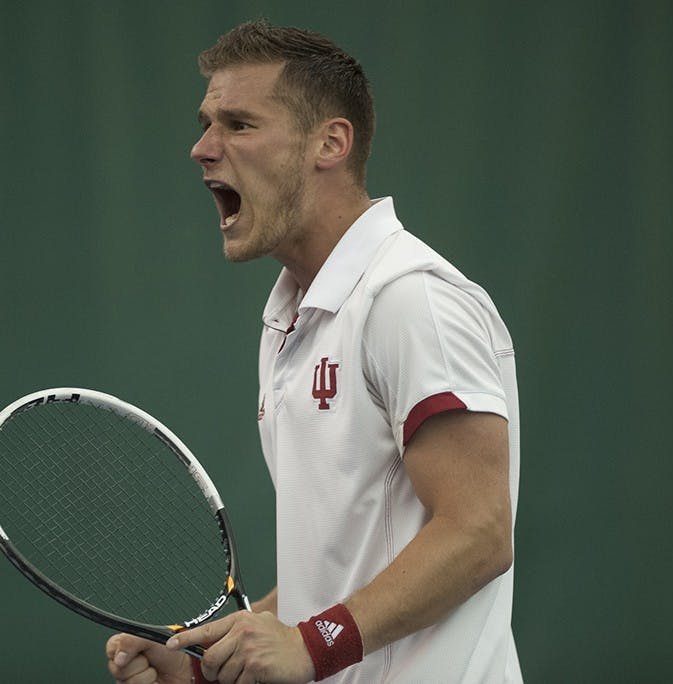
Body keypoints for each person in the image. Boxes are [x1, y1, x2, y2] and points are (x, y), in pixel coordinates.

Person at [107, 19, 522, 684]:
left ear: (330, 142)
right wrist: (212, 664)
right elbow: (340, 577)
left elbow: (478, 533)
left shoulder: (409, 300)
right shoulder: (289, 318)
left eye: (239, 124)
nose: (202, 148)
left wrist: (311, 644)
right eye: (207, 123)